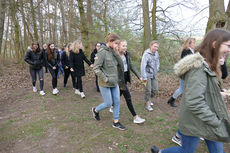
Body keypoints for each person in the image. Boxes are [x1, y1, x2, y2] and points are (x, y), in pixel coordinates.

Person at [151, 28, 230, 153]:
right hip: (194, 122)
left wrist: (217, 94)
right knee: (186, 151)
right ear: (215, 44)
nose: (229, 50)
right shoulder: (198, 68)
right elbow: (194, 101)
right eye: (228, 46)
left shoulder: (209, 64)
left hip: (207, 118)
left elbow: (206, 88)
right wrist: (216, 121)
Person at [92, 33, 126, 130]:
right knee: (108, 103)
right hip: (104, 83)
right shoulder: (102, 52)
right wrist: (106, 78)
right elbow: (96, 68)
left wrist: (116, 53)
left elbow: (121, 65)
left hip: (114, 82)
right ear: (110, 42)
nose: (117, 46)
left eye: (118, 44)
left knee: (117, 102)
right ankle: (95, 110)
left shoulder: (113, 51)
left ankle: (116, 122)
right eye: (116, 43)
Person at [117, 40, 145, 124]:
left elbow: (131, 66)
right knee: (128, 98)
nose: (125, 47)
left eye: (126, 46)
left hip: (125, 77)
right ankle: (135, 117)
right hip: (118, 79)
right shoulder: (115, 55)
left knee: (118, 95)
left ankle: (108, 106)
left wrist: (139, 76)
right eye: (123, 46)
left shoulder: (127, 54)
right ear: (118, 46)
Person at [167, 38, 196, 107]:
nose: (194, 44)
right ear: (189, 43)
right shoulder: (185, 51)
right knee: (182, 88)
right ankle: (172, 100)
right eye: (193, 43)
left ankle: (184, 102)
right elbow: (185, 63)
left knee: (187, 88)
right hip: (185, 73)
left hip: (189, 73)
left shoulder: (191, 50)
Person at [141, 41, 160, 111]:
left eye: (157, 47)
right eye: (155, 46)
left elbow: (158, 62)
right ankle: (147, 103)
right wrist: (144, 77)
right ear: (151, 46)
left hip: (154, 74)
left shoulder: (156, 53)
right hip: (147, 74)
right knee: (148, 90)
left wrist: (157, 69)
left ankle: (147, 98)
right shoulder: (146, 54)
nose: (156, 48)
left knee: (155, 89)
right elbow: (143, 66)